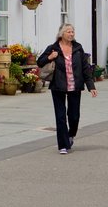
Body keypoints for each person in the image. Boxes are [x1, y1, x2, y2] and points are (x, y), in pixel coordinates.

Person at [36, 23, 97, 154]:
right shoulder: (53, 48)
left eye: (72, 32)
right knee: (61, 116)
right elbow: (39, 62)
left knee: (74, 116)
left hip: (75, 86)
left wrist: (90, 86)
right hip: (58, 86)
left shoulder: (78, 48)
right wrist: (50, 57)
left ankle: (70, 135)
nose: (71, 34)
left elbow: (85, 68)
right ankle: (63, 145)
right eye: (68, 32)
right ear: (61, 34)